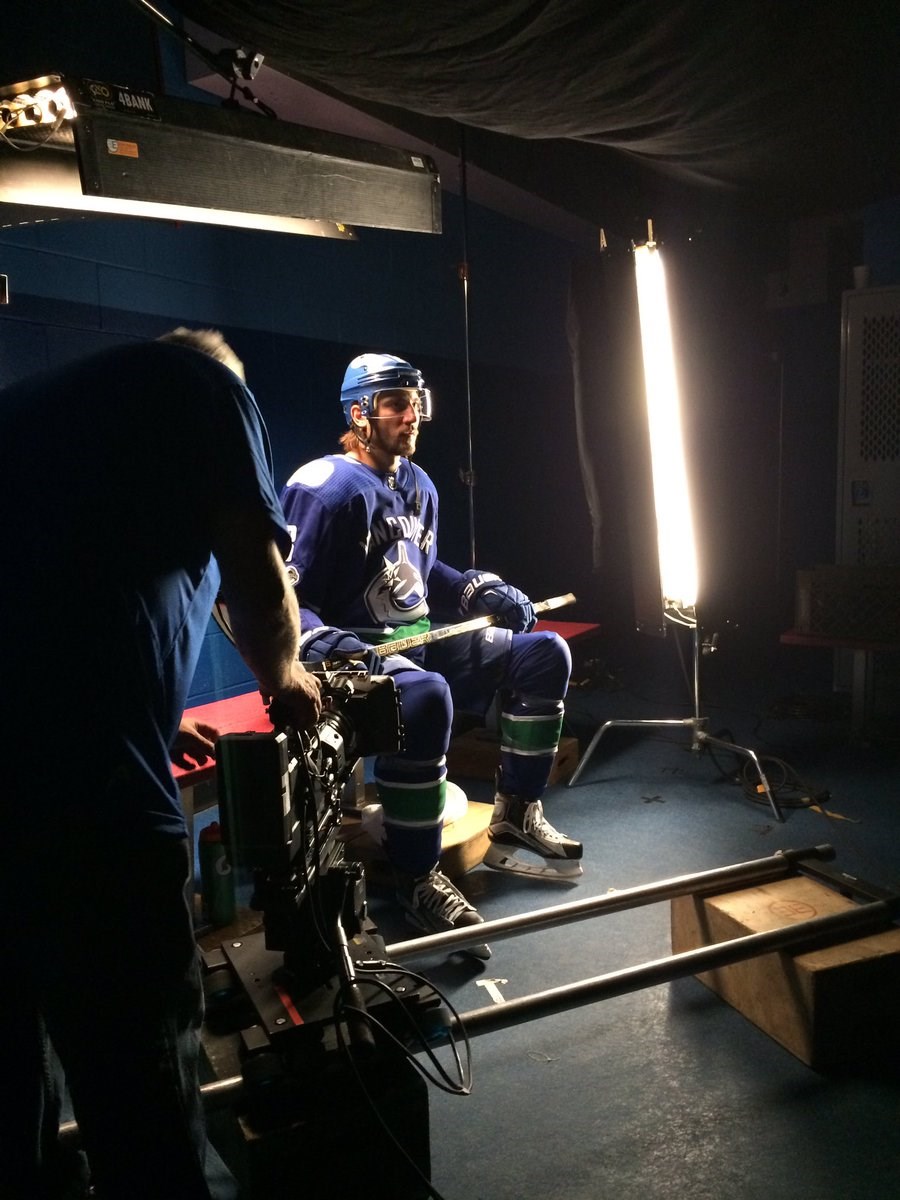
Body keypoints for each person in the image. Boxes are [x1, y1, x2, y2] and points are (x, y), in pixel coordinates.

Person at [0, 327, 321, 1199]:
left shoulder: (44, 414)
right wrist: (286, 675)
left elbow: (64, 595)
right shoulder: (208, 387)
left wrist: (149, 715)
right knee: (140, 1090)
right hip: (87, 819)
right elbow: (257, 581)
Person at [280, 352, 583, 952]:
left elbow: (422, 570)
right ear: (359, 413)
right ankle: (416, 876)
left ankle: (516, 810)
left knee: (546, 653)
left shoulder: (419, 484)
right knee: (423, 696)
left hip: (419, 641)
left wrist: (477, 587)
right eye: (396, 402)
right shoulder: (324, 487)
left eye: (417, 402)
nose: (412, 414)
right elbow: (290, 597)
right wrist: (319, 641)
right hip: (354, 657)